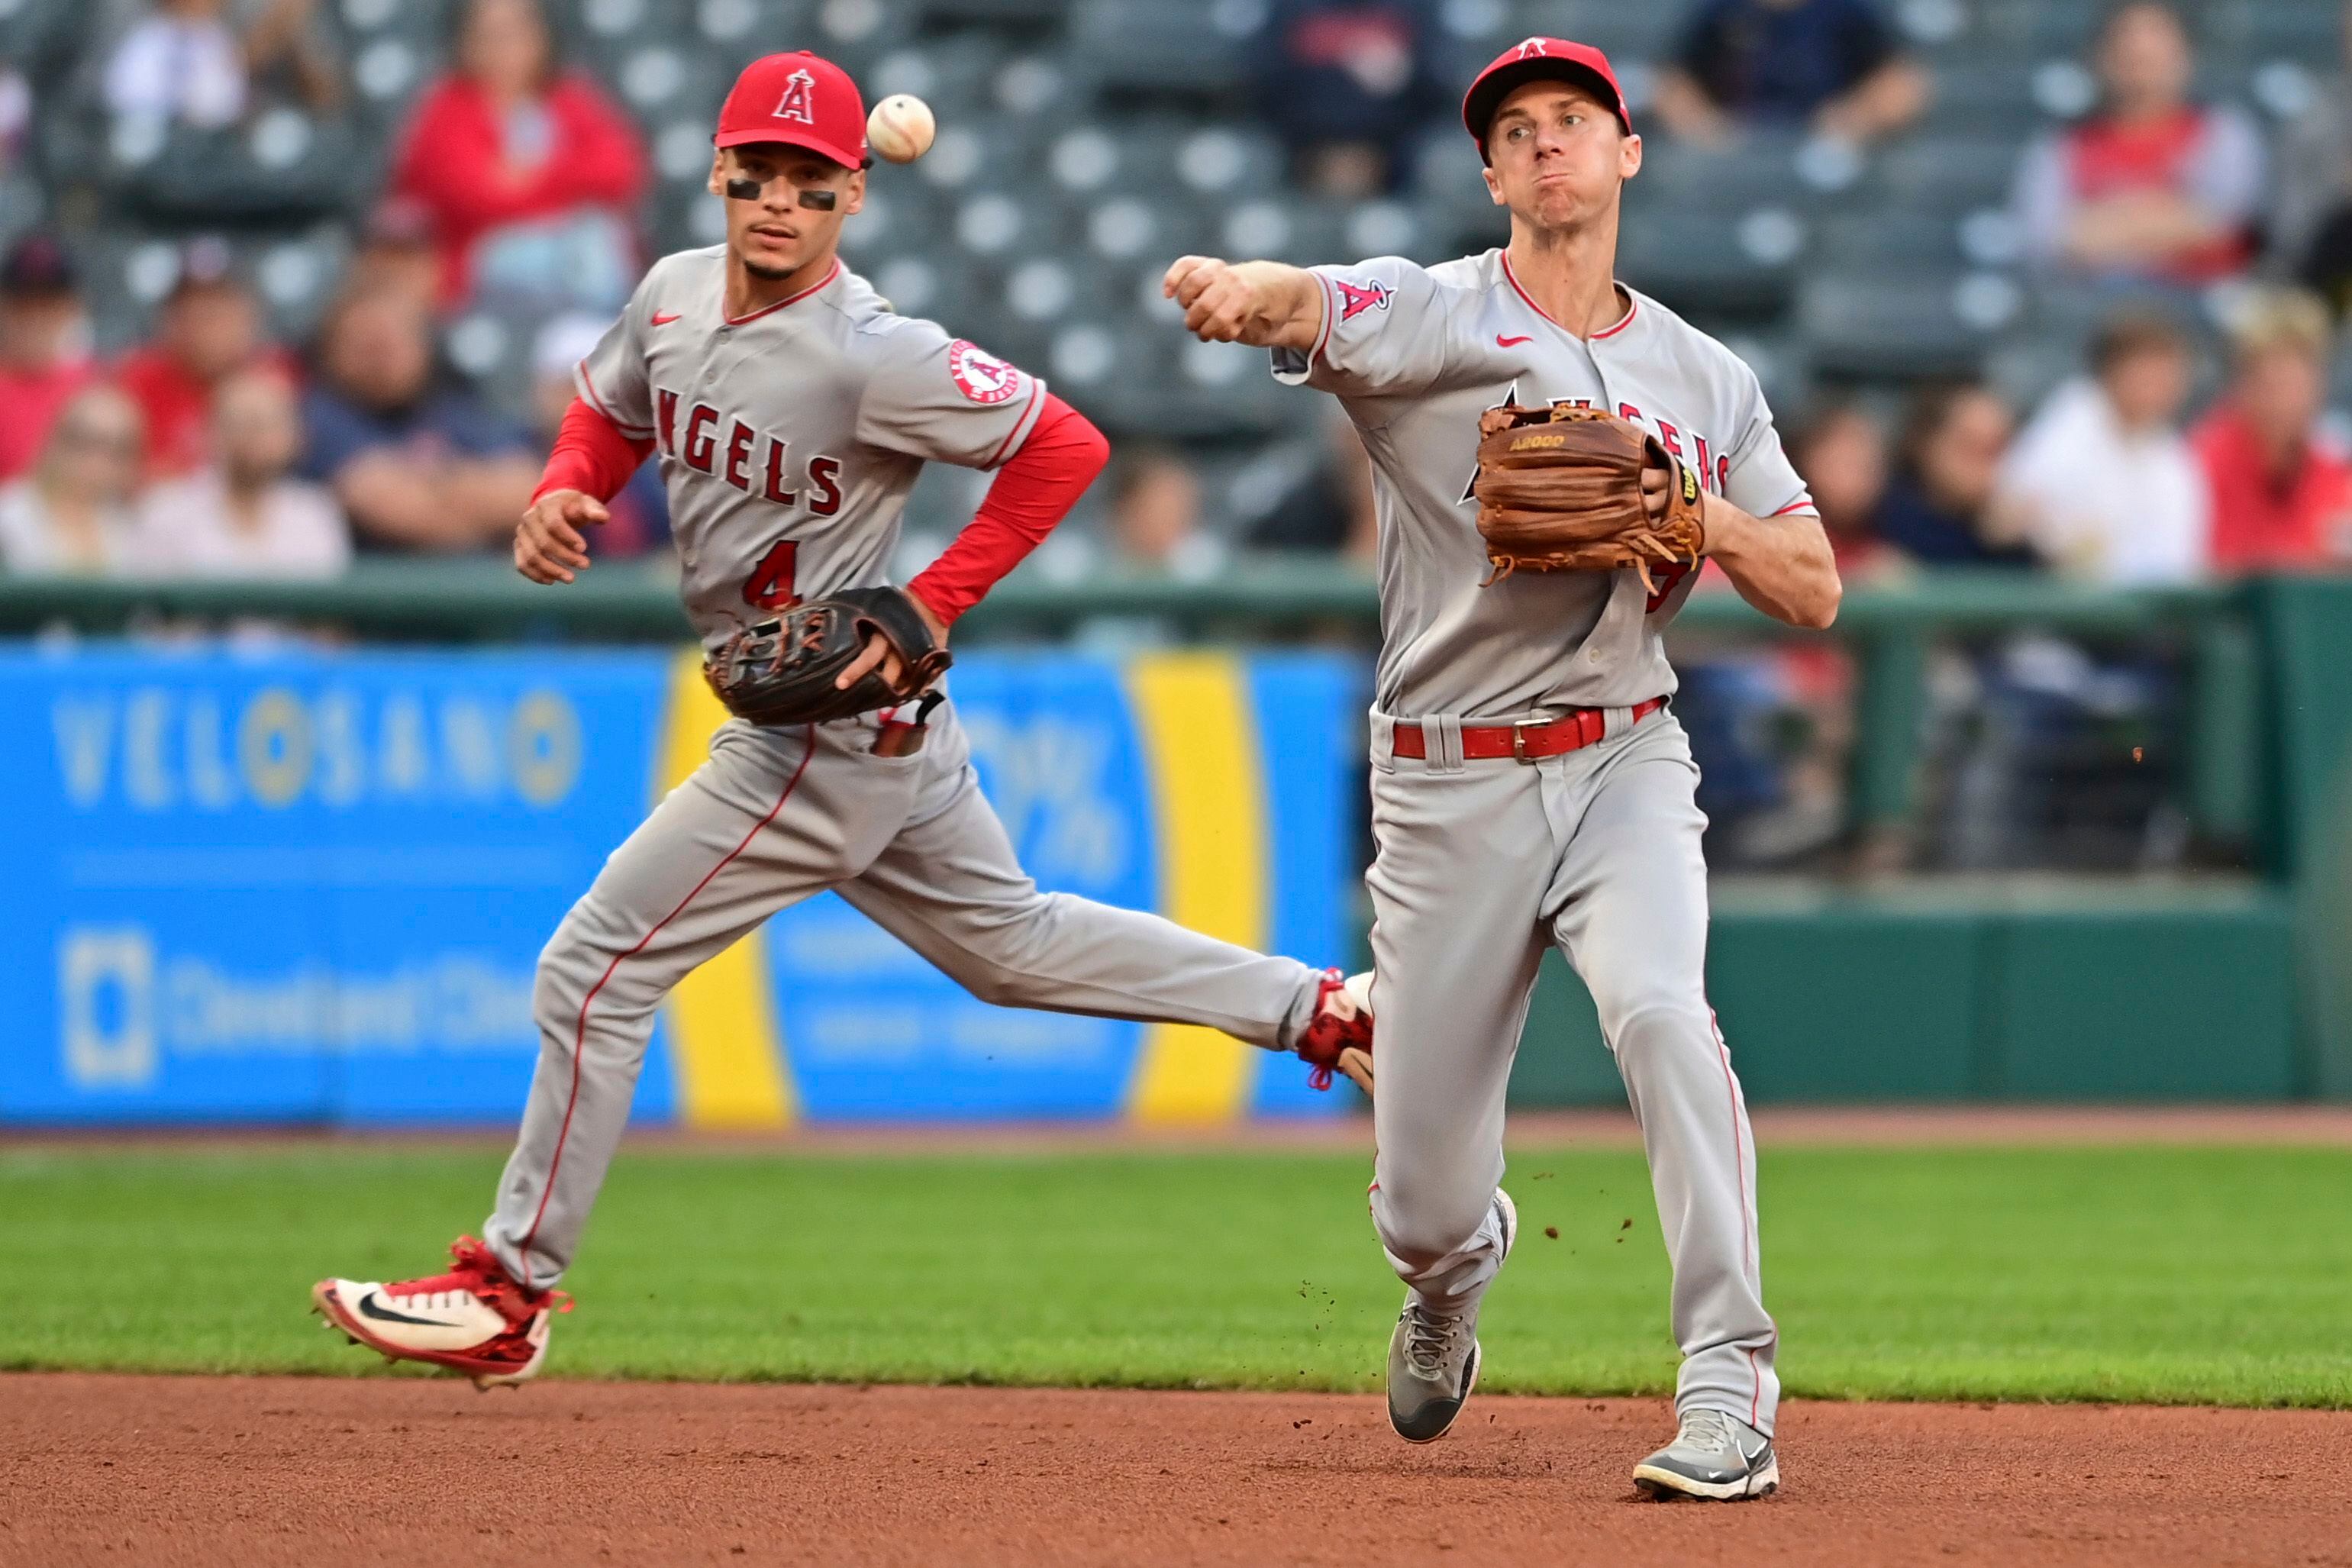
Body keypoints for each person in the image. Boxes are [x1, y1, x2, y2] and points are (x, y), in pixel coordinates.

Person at [308, 50, 1376, 1390]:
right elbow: (606, 406)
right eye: (757, 177)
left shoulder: (875, 353)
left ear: (851, 199)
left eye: (810, 187)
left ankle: (508, 1288)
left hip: (823, 728)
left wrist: (931, 598)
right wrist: (564, 489)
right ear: (717, 174)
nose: (778, 206)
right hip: (875, 733)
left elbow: (1067, 446)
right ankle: (1328, 1011)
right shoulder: (672, 291)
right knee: (1012, 941)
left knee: (593, 969)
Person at [1165, 35, 1837, 1499]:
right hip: (1446, 781)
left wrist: (1689, 510)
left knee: (1665, 1013)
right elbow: (1312, 301)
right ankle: (1453, 1276)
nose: (1546, 144)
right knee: (1422, 1196)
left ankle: (1730, 1386)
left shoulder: (1704, 376)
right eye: (1516, 129)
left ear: (1626, 153)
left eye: (1574, 121)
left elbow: (1812, 583)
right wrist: (1241, 287)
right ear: (1489, 171)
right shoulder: (1430, 312)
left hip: (1621, 756)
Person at [388, 0, 647, 311]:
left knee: (596, 236)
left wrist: (534, 176)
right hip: (483, 270)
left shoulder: (568, 97)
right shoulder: (447, 107)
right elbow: (476, 198)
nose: (504, 46)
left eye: (515, 31)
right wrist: (568, 191)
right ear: (464, 42)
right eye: (489, 34)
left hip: (576, 255)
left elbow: (621, 169)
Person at [2011, 2, 2263, 286]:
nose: (2140, 63)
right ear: (2099, 57)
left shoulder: (2223, 132)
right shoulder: (2061, 145)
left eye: (2153, 56)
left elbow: (2224, 224)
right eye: (2128, 55)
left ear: (2185, 56)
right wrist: (2170, 217)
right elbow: (2045, 241)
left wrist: (2105, 222)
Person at [297, 286, 538, 552]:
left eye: (395, 341)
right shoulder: (321, 418)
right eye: (368, 346)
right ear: (331, 354)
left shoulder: (451, 405)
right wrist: (473, 497)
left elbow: (530, 494)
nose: (383, 359)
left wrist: (430, 485)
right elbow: (396, 511)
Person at [1998, 311, 2208, 582]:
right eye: (2147, 373)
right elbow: (2020, 521)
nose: (2161, 387)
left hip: (2150, 611)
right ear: (2111, 371)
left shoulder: (2172, 453)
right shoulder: (2069, 424)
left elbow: (2179, 558)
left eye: (2170, 375)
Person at [2192, 289, 2352, 573]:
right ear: (2244, 384)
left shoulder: (2333, 466)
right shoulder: (2200, 464)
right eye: (2273, 383)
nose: (2285, 400)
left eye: (2296, 383)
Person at [137, 366, 347, 577]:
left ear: (295, 436)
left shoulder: (315, 512)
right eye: (240, 422)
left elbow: (328, 604)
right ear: (210, 432)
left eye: (268, 424)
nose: (254, 436)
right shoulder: (166, 510)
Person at [114, 241, 294, 482]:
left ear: (250, 315)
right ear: (167, 320)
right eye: (189, 310)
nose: (205, 324)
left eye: (218, 309)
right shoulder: (137, 379)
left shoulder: (276, 375)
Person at [1655, 0, 1928, 147]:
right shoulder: (1720, 12)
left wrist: (1854, 117)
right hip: (1742, 144)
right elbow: (1675, 84)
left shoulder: (1847, 11)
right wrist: (1706, 129)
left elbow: (1900, 84)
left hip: (1827, 145)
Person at [1251, 0, 1447, 198]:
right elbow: (1266, 83)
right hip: (1307, 151)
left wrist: (1406, 73)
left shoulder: (1415, 8)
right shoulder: (1289, 8)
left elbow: (1439, 85)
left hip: (1390, 156)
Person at [529, 313, 667, 558]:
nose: (583, 398)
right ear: (541, 389)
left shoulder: (656, 474)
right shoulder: (508, 452)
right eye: (569, 383)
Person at [101, 0, 337, 131]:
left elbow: (325, 98)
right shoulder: (151, 40)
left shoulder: (215, 37)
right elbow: (131, 107)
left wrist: (281, 27)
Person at [1873, 382, 2039, 568]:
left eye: (1997, 449)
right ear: (1927, 445)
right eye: (1972, 447)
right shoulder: (1877, 515)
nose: (1987, 468)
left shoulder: (2017, 531)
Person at [0, 384, 146, 575]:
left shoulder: (130, 521)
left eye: (117, 450)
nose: (96, 462)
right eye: (84, 443)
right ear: (56, 439)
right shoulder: (9, 514)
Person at [0, 236, 97, 483]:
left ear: (73, 306)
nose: (36, 315)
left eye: (49, 302)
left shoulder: (97, 387)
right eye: (24, 302)